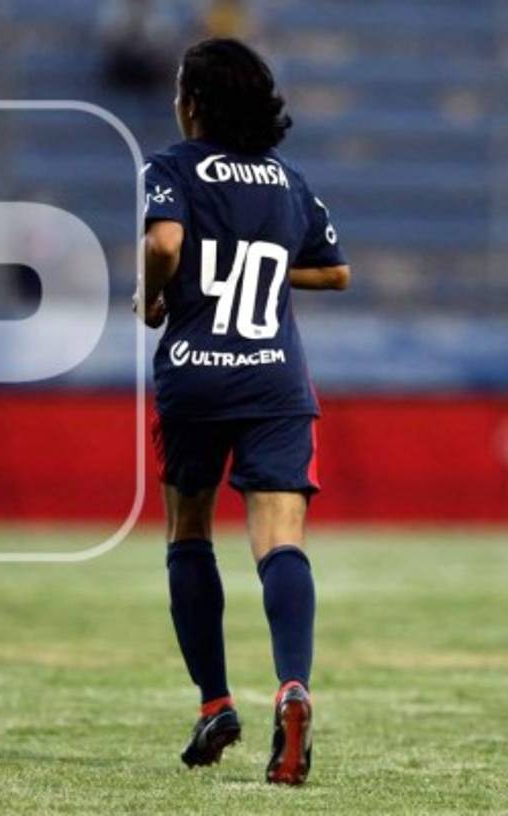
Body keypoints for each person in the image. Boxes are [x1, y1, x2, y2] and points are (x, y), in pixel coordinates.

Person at [134, 39, 350, 785]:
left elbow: (163, 243)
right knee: (279, 541)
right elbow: (336, 270)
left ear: (193, 102)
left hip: (196, 378)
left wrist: (155, 291)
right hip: (274, 383)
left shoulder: (171, 167)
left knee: (188, 532)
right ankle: (292, 685)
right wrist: (253, 255)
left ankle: (215, 702)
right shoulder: (288, 181)